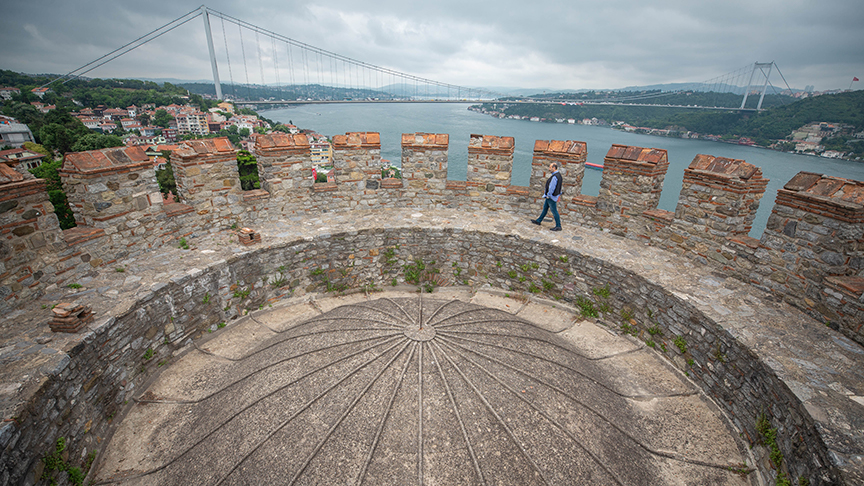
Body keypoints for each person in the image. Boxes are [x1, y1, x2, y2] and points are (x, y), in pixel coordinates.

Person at [531, 162, 563, 231]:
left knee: (554, 211)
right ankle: (538, 221)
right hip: (553, 196)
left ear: (554, 168)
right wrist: (559, 194)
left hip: (551, 197)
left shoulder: (555, 177)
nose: (549, 169)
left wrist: (548, 195)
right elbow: (560, 186)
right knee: (545, 208)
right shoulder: (559, 175)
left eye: (550, 167)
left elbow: (552, 187)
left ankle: (558, 226)